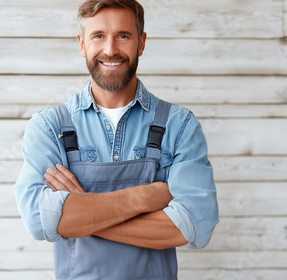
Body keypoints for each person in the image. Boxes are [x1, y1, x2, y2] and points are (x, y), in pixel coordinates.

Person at [14, 0, 219, 279]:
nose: (110, 49)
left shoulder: (178, 125)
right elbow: (40, 221)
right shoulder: (49, 127)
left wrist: (82, 208)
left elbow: (196, 224)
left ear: (141, 43)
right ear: (82, 44)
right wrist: (145, 196)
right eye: (98, 36)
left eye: (123, 36)